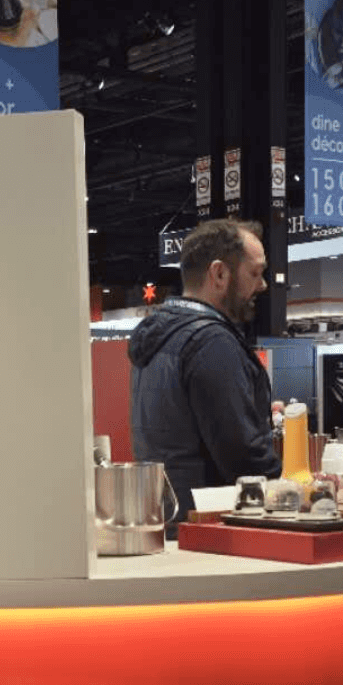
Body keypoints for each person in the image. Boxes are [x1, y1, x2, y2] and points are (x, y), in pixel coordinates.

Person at [126, 218, 279, 522]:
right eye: (255, 273)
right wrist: (288, 489)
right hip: (214, 525)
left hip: (170, 519)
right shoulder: (211, 342)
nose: (262, 285)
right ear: (219, 274)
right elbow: (242, 455)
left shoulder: (162, 337)